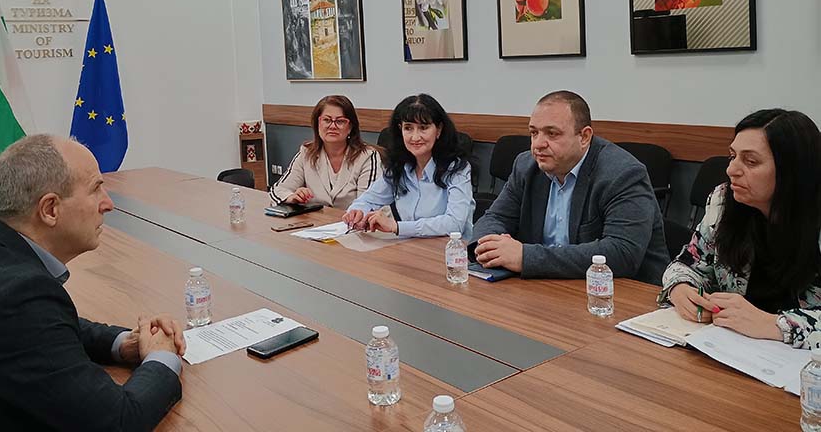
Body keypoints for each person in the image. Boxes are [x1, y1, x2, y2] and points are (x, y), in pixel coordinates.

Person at [0, 135, 185, 431]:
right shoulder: (18, 299)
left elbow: (51, 327)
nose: (108, 204)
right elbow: (119, 421)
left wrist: (121, 344)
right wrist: (161, 356)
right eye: (96, 189)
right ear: (50, 209)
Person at [660, 109, 821, 348]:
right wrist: (680, 288)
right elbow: (688, 264)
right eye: (732, 156)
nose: (731, 170)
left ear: (792, 170)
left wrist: (774, 324)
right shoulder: (724, 201)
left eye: (751, 161)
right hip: (733, 349)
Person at [471, 90, 667, 284]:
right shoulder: (526, 166)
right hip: (547, 287)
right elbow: (495, 217)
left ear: (584, 137)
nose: (538, 144)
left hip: (621, 292)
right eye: (534, 133)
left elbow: (622, 253)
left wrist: (525, 257)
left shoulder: (622, 173)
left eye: (552, 133)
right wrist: (489, 247)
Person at [342, 93, 474, 240]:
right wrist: (357, 212)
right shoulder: (399, 166)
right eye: (408, 128)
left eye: (423, 128)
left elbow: (454, 223)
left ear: (438, 130)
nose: (415, 137)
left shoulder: (457, 169)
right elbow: (368, 200)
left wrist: (398, 227)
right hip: (408, 246)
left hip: (449, 249)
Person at [269, 95, 382, 210]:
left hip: (355, 221)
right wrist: (292, 197)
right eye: (327, 120)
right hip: (317, 220)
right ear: (318, 123)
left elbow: (368, 206)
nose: (332, 126)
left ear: (350, 127)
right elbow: (278, 190)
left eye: (340, 121)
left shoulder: (367, 157)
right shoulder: (306, 153)